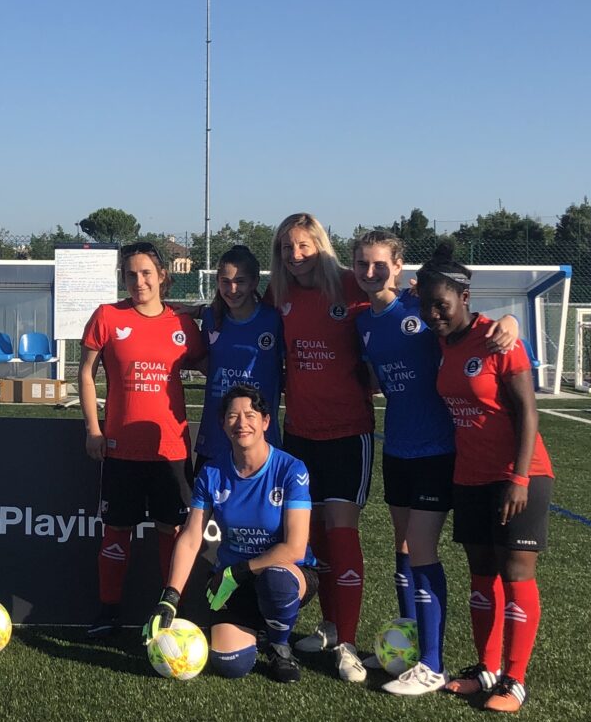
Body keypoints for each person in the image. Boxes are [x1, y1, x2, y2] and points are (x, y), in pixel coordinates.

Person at [417, 246, 554, 713]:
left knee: (516, 573)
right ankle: (487, 668)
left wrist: (519, 477)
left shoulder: (498, 339)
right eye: (426, 306)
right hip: (469, 476)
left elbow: (528, 412)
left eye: (442, 305)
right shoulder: (441, 342)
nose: (433, 314)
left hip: (518, 475)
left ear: (464, 298)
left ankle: (515, 680)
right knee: (481, 573)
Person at [77, 240, 207, 636]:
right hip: (121, 448)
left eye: (146, 273)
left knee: (173, 531)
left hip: (171, 449)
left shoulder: (182, 325)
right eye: (131, 274)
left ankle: (170, 614)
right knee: (117, 530)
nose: (139, 281)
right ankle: (108, 612)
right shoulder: (107, 316)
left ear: (162, 276)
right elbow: (86, 374)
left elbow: (212, 366)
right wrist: (94, 428)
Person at [267, 212, 376, 680]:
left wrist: (505, 322)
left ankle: (347, 643)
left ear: (320, 246)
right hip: (300, 433)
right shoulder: (279, 293)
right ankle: (330, 626)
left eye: (303, 246)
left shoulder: (351, 285)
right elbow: (232, 308)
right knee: (313, 536)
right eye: (287, 247)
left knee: (341, 529)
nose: (295, 256)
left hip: (349, 432)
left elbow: (399, 305)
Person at [147, 386, 312, 683]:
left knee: (276, 581)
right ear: (223, 424)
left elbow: (295, 548)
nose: (241, 423)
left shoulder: (290, 469)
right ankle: (260, 629)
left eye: (250, 415)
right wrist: (170, 596)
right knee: (231, 664)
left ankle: (280, 646)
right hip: (232, 580)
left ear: (266, 421)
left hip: (286, 572)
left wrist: (238, 571)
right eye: (233, 416)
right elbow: (191, 537)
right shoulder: (212, 473)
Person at [351, 229, 456, 696]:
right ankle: (408, 646)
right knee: (403, 546)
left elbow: (466, 321)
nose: (370, 272)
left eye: (380, 264)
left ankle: (433, 664)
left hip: (436, 447)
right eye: (362, 264)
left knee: (422, 548)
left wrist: (509, 324)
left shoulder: (420, 308)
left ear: (398, 266)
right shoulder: (363, 322)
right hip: (396, 446)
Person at [195, 244, 284, 469]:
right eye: (225, 281)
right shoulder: (211, 318)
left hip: (259, 437)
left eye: (240, 281)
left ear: (254, 282)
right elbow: (203, 360)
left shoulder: (273, 320)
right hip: (215, 436)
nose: (232, 289)